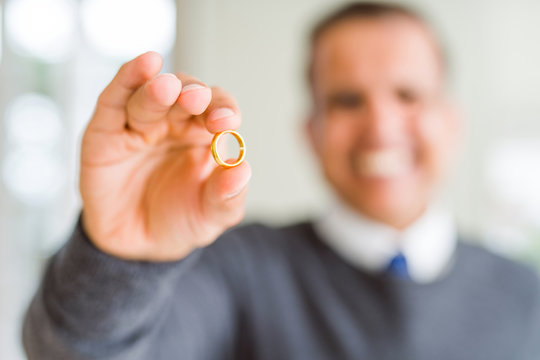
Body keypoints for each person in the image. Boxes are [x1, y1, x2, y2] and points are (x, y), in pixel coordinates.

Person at [23, 2, 540, 359]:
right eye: (347, 100)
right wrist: (120, 259)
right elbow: (77, 352)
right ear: (311, 131)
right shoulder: (234, 269)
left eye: (408, 94)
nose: (381, 125)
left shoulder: (527, 297)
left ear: (451, 120)